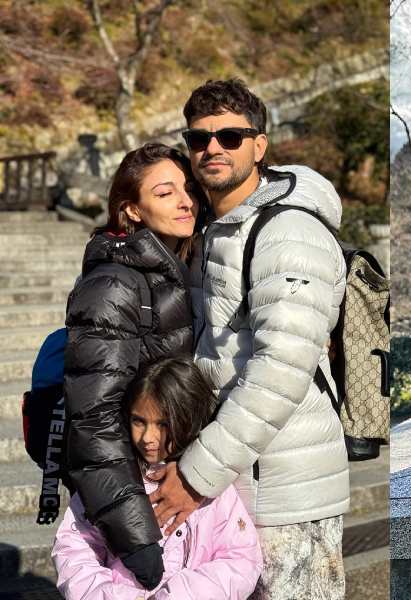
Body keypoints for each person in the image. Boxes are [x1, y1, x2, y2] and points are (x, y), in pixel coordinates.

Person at [148, 79, 349, 600]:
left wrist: (194, 475)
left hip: (285, 491)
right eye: (199, 139)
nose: (212, 148)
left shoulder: (288, 232)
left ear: (260, 145)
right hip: (237, 482)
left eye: (231, 136)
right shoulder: (218, 229)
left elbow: (280, 368)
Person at [63, 143, 202, 590]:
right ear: (133, 211)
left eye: (188, 189)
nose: (185, 201)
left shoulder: (175, 270)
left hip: (164, 486)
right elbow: (96, 418)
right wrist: (138, 542)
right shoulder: (115, 285)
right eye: (165, 193)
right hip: (137, 509)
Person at [53, 357, 262, 599]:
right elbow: (73, 546)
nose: (148, 438)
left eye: (163, 424)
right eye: (138, 421)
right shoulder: (111, 480)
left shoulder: (210, 489)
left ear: (188, 418)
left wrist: (182, 594)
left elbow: (241, 558)